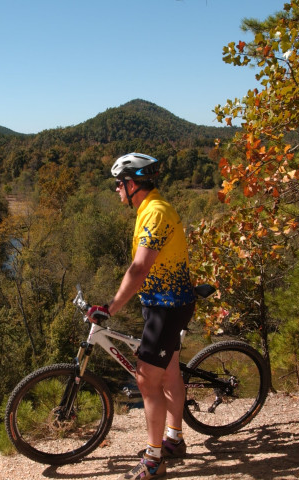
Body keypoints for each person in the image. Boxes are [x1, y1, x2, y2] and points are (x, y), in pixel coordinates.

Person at [87, 152, 197, 479]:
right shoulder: (148, 208)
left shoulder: (156, 213)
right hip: (166, 304)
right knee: (170, 373)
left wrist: (109, 308)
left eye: (119, 184)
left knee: (146, 380)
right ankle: (174, 440)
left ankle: (154, 459)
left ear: (133, 184)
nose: (117, 190)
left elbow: (138, 268)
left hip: (167, 307)